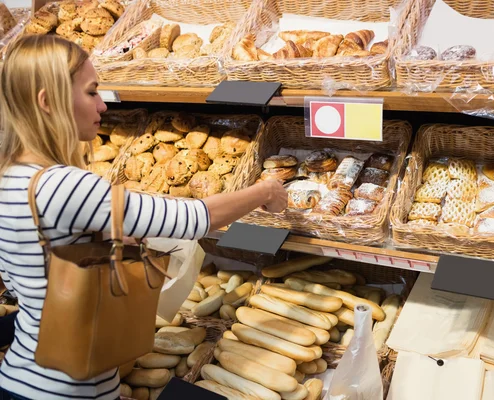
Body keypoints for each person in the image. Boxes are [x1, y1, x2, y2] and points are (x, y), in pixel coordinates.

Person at [0, 34, 287, 400]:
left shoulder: (11, 176)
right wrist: (264, 191)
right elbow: (190, 218)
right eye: (90, 92)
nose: (102, 105)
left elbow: (28, 276)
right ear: (47, 102)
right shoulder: (62, 184)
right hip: (61, 390)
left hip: (26, 376)